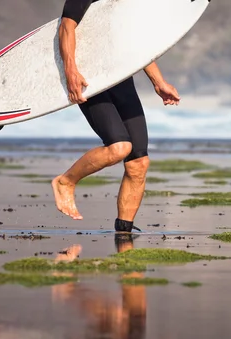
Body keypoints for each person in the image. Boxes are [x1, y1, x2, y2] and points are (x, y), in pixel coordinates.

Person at [51, 0, 181, 233]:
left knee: (139, 162)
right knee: (119, 147)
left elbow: (132, 42)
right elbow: (66, 27)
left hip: (118, 77)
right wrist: (71, 71)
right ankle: (65, 181)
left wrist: (159, 82)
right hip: (88, 78)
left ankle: (124, 234)